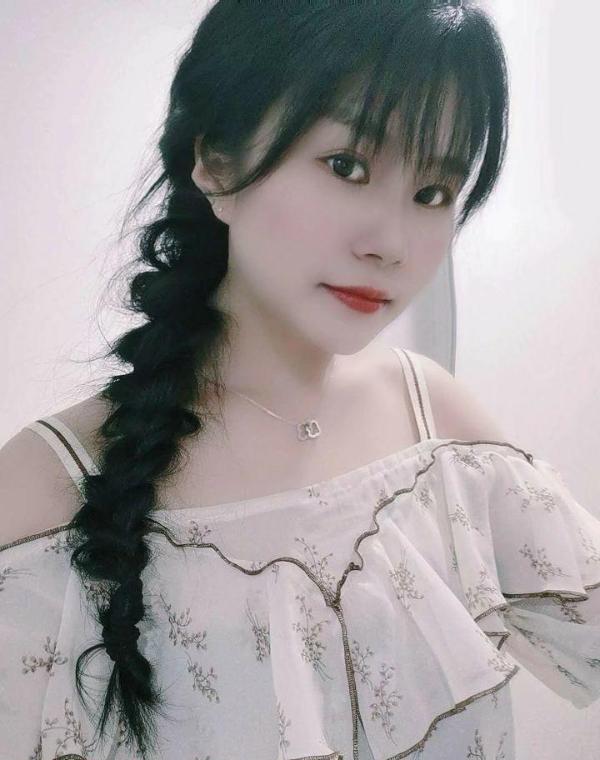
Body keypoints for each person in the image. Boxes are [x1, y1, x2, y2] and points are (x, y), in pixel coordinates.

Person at [1, 1, 599, 758]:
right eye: (347, 166)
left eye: (433, 193)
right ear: (217, 161)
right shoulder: (42, 491)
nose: (390, 243)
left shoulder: (437, 429)